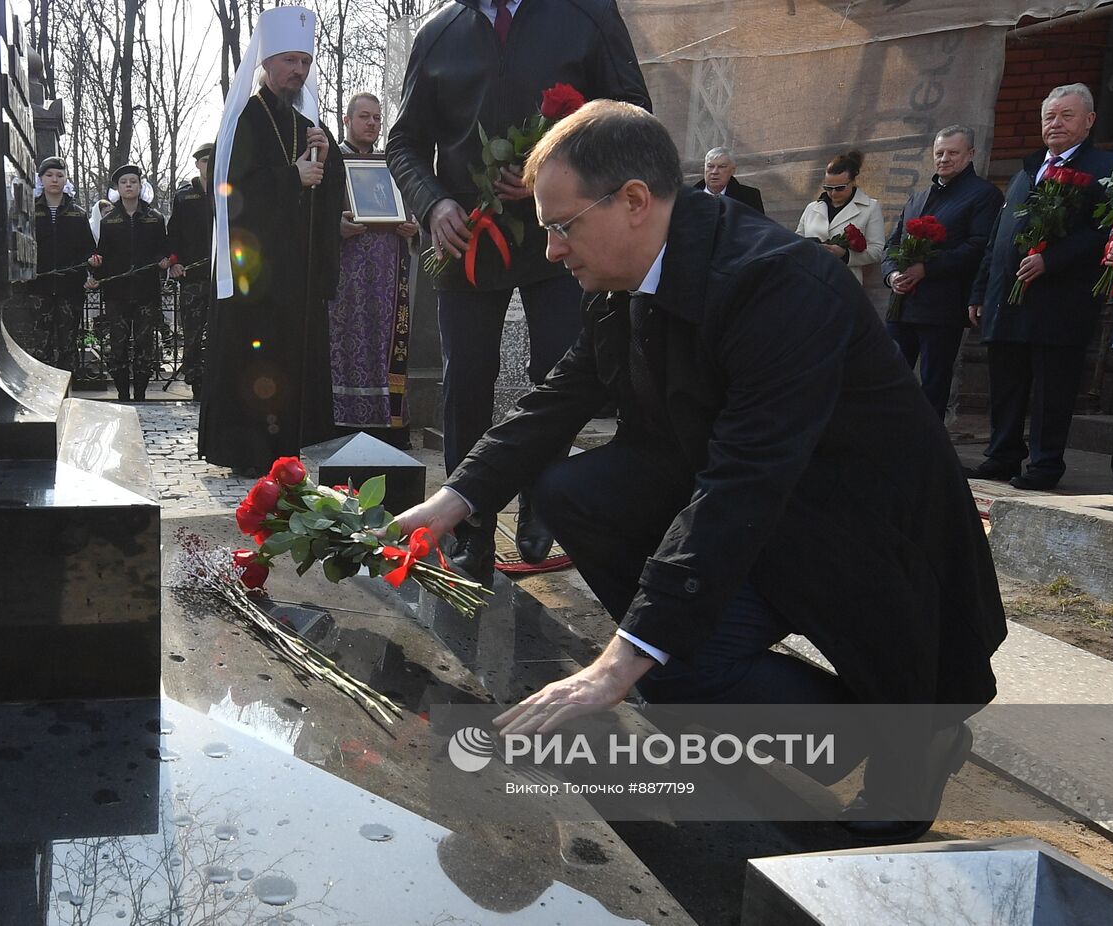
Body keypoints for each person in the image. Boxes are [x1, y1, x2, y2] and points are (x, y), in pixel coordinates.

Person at [393, 100, 1006, 843]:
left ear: (633, 202)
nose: (551, 251)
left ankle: (910, 738)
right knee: (639, 603)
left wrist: (619, 663)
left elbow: (745, 478)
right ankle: (812, 724)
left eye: (561, 226)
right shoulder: (623, 286)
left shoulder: (777, 284)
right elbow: (557, 401)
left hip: (861, 530)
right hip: (762, 517)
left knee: (658, 654)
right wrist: (455, 499)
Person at [387, 0, 651, 581]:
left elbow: (633, 114)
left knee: (559, 369)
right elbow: (403, 142)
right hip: (468, 236)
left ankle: (543, 499)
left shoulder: (586, 13)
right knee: (467, 378)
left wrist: (561, 164)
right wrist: (433, 203)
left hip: (563, 235)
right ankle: (468, 527)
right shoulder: (439, 32)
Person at [202, 5, 346, 475]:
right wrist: (291, 177)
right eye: (289, 61)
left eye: (304, 63)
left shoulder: (305, 122)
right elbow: (229, 193)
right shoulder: (247, 116)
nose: (298, 72)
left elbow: (324, 191)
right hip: (255, 278)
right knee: (257, 367)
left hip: (294, 278)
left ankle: (289, 448)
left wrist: (328, 160)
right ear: (266, 63)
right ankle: (248, 453)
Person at [967, 83, 1113, 490]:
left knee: (1053, 388)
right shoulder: (1027, 168)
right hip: (1008, 299)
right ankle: (1002, 456)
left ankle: (1045, 464)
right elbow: (999, 236)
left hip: (1060, 301)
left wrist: (1051, 260)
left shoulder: (1105, 169)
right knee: (1006, 384)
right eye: (1049, 116)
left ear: (1088, 121)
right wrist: (981, 290)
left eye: (1066, 115)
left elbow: (1103, 231)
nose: (1055, 124)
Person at [881, 126, 1003, 417]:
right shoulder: (917, 198)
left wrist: (927, 268)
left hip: (942, 306)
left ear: (971, 154)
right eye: (939, 153)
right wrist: (892, 276)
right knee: (889, 377)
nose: (944, 159)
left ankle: (929, 449)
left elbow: (978, 247)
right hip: (901, 305)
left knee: (933, 383)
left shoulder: (983, 195)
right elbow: (893, 245)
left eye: (952, 152)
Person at [329, 92, 419, 446]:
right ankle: (342, 425)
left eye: (377, 118)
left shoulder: (391, 164)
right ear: (347, 121)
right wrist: (333, 227)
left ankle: (389, 426)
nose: (372, 124)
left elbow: (407, 212)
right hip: (344, 277)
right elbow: (310, 216)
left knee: (384, 344)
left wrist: (413, 228)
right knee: (347, 344)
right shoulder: (333, 161)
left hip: (387, 275)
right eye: (364, 117)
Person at [88, 164, 172, 402]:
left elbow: (162, 249)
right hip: (117, 294)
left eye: (133, 181)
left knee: (145, 344)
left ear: (140, 185)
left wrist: (163, 261)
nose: (128, 185)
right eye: (124, 182)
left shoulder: (154, 218)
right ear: (117, 187)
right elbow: (102, 254)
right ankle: (123, 392)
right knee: (118, 345)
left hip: (146, 292)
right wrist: (94, 274)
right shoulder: (109, 220)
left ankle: (142, 393)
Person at [29, 156, 95, 371]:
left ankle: (69, 389)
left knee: (68, 342)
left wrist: (91, 267)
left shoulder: (78, 213)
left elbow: (88, 248)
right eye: (49, 175)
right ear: (41, 179)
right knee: (41, 343)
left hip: (70, 288)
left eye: (59, 175)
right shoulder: (31, 212)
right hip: (39, 286)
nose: (54, 180)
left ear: (66, 179)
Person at [795, 150, 885, 285]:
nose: (833, 193)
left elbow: (877, 250)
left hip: (845, 282)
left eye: (840, 188)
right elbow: (797, 241)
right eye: (828, 188)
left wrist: (846, 255)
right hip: (812, 280)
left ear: (853, 181)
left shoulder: (870, 207)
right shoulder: (812, 208)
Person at [169, 143, 214, 392]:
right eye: (204, 160)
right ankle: (195, 379)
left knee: (219, 332)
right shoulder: (184, 196)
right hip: (192, 276)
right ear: (197, 164)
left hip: (221, 276)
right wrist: (175, 263)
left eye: (213, 159)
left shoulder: (227, 191)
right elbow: (173, 233)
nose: (208, 165)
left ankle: (216, 380)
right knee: (193, 331)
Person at [693, 146, 764, 214]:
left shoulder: (749, 197)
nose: (714, 172)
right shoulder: (687, 197)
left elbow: (759, 225)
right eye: (710, 166)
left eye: (721, 167)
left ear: (733, 170)